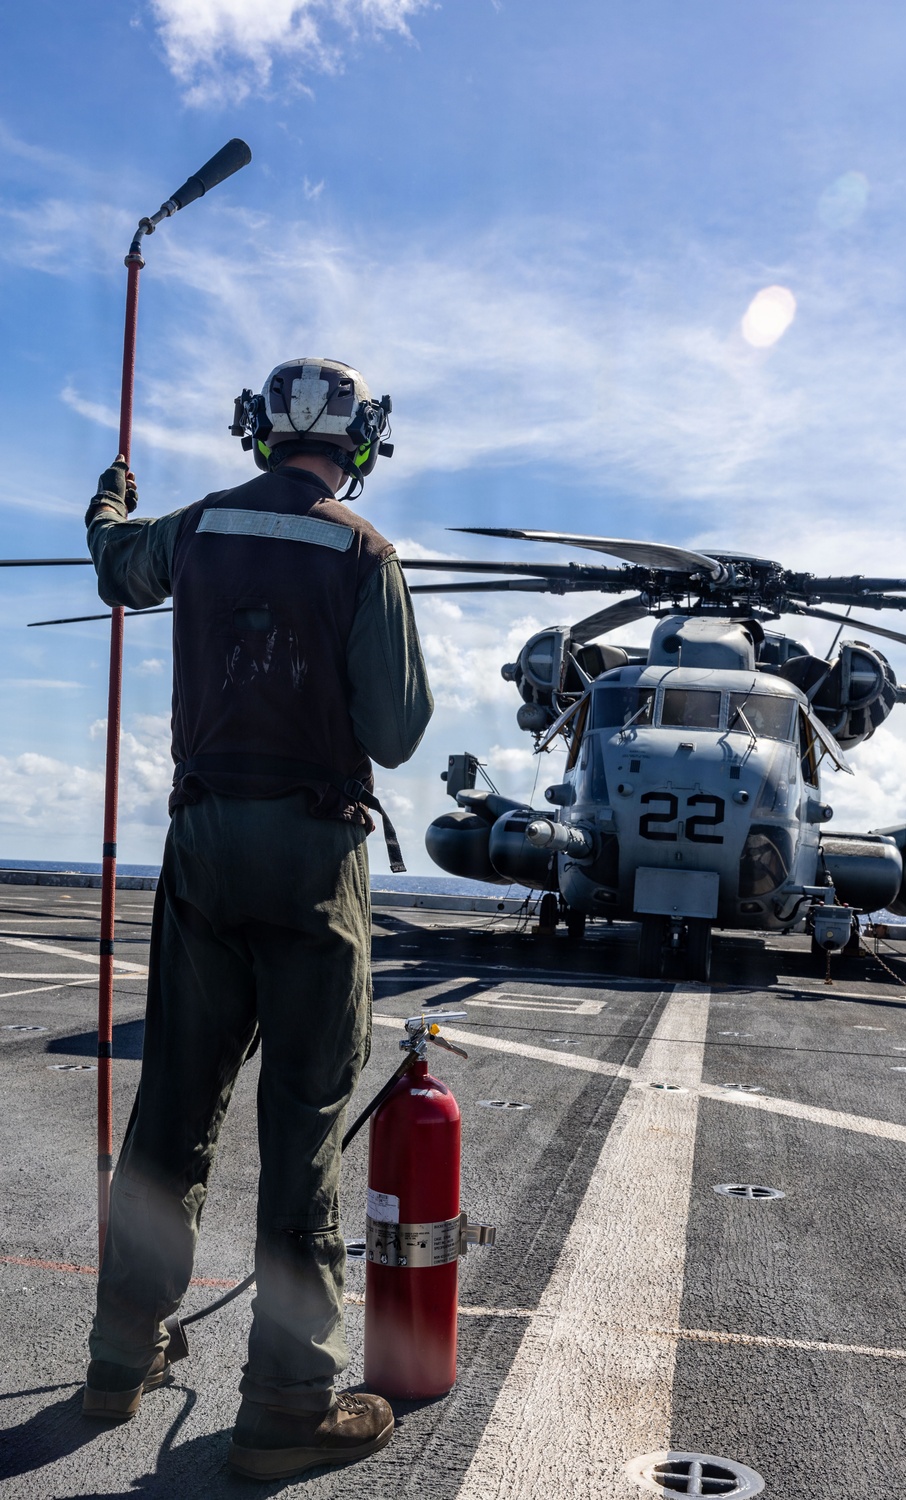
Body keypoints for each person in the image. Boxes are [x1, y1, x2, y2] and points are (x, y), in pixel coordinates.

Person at [80, 358, 434, 1481]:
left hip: (203, 842)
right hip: (312, 853)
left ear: (258, 436)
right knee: (304, 1126)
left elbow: (114, 569)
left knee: (172, 1106)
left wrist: (109, 501)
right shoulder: (364, 552)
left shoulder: (192, 529)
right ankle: (285, 1401)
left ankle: (115, 1358)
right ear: (359, 444)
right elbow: (397, 730)